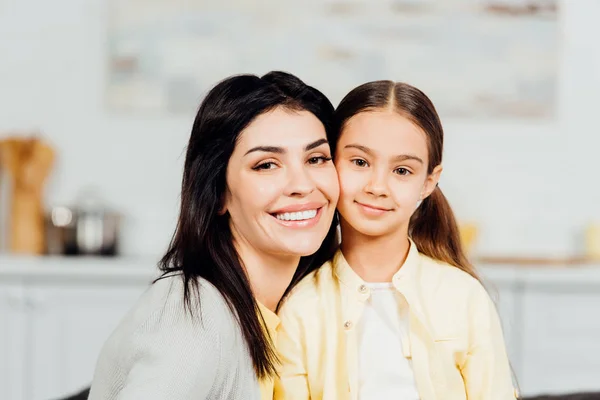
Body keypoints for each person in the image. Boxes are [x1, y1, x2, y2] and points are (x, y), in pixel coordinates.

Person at [88, 71, 340, 400]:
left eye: (317, 158)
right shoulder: (194, 314)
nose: (302, 185)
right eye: (266, 164)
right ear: (218, 192)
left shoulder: (288, 314)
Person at [274, 80, 517, 400]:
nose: (378, 186)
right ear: (330, 163)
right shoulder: (299, 309)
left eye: (402, 170)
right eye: (360, 162)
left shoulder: (465, 298)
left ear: (429, 182)